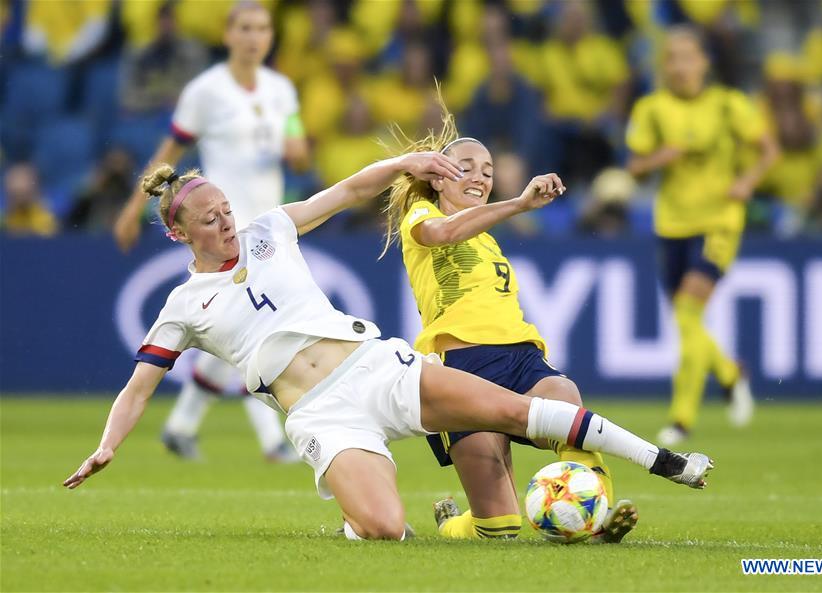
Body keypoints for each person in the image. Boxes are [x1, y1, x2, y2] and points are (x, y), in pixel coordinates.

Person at [64, 154, 715, 541]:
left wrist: (403, 165)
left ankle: (664, 460)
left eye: (227, 209)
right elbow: (139, 384)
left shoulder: (268, 231)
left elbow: (346, 191)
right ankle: (360, 515)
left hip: (376, 366)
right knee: (381, 528)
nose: (227, 222)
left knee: (516, 410)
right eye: (210, 220)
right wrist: (108, 443)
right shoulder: (181, 306)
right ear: (179, 235)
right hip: (321, 413)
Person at [380, 115, 635, 542]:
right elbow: (441, 233)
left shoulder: (488, 237)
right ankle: (452, 524)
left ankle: (596, 521)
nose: (479, 177)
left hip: (519, 358)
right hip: (459, 370)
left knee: (568, 407)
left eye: (488, 171)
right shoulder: (421, 213)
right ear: (438, 178)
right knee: (499, 527)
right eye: (465, 166)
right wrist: (518, 204)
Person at [113, 1, 310, 463]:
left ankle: (182, 427)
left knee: (233, 333)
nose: (254, 37)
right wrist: (132, 206)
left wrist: (296, 141)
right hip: (223, 226)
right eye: (245, 28)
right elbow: (170, 148)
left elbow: (297, 145)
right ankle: (273, 440)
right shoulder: (206, 91)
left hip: (269, 228)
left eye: (262, 28)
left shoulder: (282, 90)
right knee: (254, 327)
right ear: (228, 35)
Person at [626, 27, 779, 446]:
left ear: (703, 62)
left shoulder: (728, 105)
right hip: (671, 223)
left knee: (689, 314)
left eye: (687, 57)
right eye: (671, 58)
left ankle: (681, 419)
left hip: (718, 221)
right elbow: (634, 166)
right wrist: (663, 156)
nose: (679, 66)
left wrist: (747, 181)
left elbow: (769, 149)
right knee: (685, 318)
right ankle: (731, 373)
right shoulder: (652, 108)